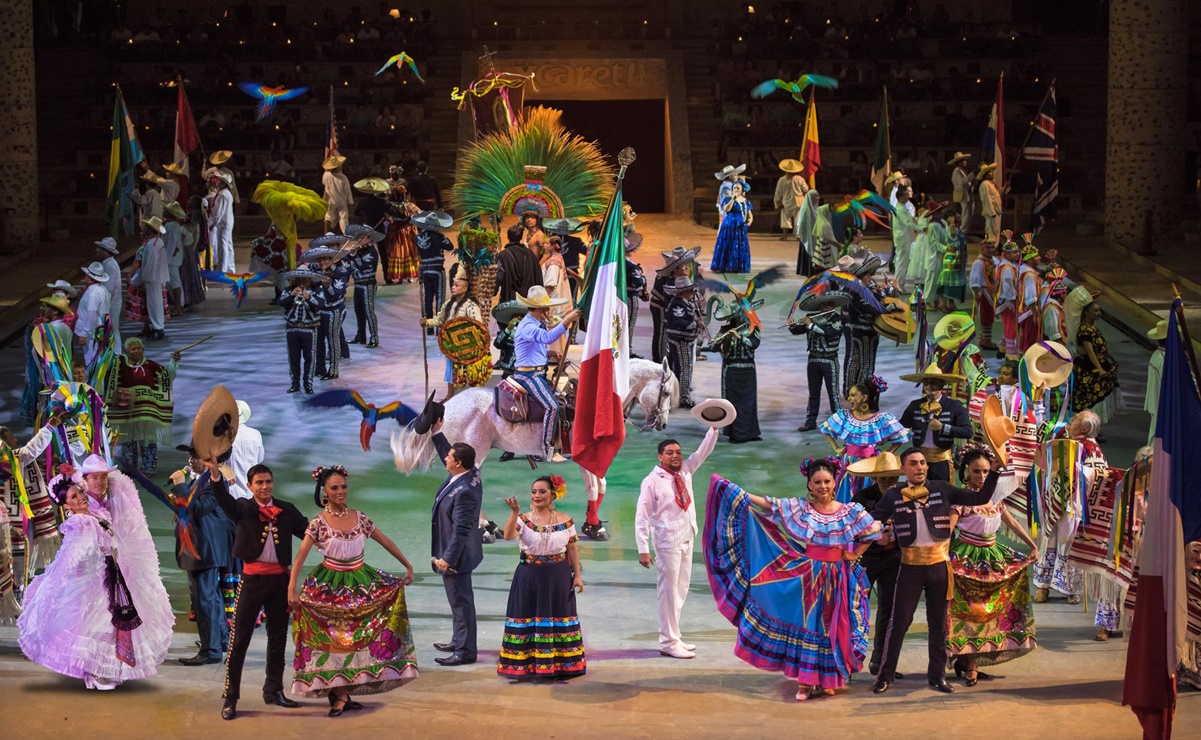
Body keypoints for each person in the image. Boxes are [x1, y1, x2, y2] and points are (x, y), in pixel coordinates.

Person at [705, 458, 881, 700]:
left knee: (832, 627)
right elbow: (770, 505)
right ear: (809, 485)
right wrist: (740, 494)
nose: (822, 486)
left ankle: (828, 678)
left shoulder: (849, 511)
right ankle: (806, 682)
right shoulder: (802, 509)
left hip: (838, 576)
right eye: (817, 482)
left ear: (834, 482)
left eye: (827, 481)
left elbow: (872, 532)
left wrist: (854, 554)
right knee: (809, 624)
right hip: (809, 575)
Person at [18, 468, 173, 690]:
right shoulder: (79, 523)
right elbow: (71, 556)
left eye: (79, 492)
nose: (80, 497)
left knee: (111, 626)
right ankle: (93, 673)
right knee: (95, 625)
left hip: (110, 575)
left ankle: (105, 669)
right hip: (91, 581)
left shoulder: (97, 515)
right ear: (66, 506)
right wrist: (54, 581)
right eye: (73, 497)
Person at [288, 466, 418, 714]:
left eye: (343, 487)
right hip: (329, 585)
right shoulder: (318, 524)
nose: (340, 491)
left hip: (361, 583)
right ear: (324, 492)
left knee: (358, 639)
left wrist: (407, 565)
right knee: (334, 640)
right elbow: (300, 557)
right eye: (334, 488)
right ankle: (340, 693)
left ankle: (345, 691)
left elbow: (385, 540)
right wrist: (291, 588)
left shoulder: (360, 518)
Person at [869, 448, 999, 694]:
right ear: (903, 469)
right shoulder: (894, 495)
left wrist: (993, 472)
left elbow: (981, 498)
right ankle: (884, 676)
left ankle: (937, 676)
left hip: (939, 566)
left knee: (938, 625)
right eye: (913, 463)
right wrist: (876, 534)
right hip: (910, 567)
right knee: (898, 624)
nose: (919, 467)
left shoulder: (942, 488)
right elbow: (871, 518)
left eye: (922, 463)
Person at [210, 460, 309, 721]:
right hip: (251, 581)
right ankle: (230, 697)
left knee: (277, 639)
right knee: (239, 640)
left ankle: (273, 690)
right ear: (251, 486)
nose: (265, 486)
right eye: (259, 483)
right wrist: (214, 473)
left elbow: (310, 532)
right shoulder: (242, 508)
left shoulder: (286, 510)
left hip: (280, 583)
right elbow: (222, 497)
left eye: (268, 482)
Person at [946, 444, 1038, 686]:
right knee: (972, 612)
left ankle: (970, 661)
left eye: (986, 471)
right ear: (966, 472)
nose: (982, 476)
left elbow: (1013, 524)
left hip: (994, 558)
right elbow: (948, 531)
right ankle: (970, 663)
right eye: (977, 471)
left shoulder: (995, 499)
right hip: (967, 559)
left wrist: (1032, 545)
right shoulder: (961, 499)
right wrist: (942, 556)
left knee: (993, 613)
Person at [635, 426, 718, 659]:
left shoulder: (685, 471)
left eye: (678, 452)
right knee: (668, 592)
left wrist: (713, 428)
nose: (676, 456)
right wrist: (643, 548)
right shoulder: (651, 481)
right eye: (670, 452)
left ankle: (675, 636)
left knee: (680, 590)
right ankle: (667, 641)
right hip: (667, 542)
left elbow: (703, 452)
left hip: (687, 538)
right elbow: (642, 516)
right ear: (660, 456)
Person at [498, 475, 586, 680]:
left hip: (558, 576)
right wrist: (514, 513)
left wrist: (578, 576)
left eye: (542, 491)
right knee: (527, 616)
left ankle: (562, 665)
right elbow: (508, 535)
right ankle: (526, 665)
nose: (537, 495)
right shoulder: (524, 520)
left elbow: (572, 548)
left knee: (559, 616)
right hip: (529, 575)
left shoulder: (566, 520)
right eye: (534, 492)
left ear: (553, 494)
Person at [170, 448, 235, 666]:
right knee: (212, 597)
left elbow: (200, 509)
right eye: (190, 455)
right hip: (204, 548)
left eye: (195, 456)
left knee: (204, 599)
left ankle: (211, 650)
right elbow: (190, 506)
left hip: (204, 548)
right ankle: (221, 640)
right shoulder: (201, 480)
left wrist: (179, 485)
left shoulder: (213, 480)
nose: (190, 460)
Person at [429, 426, 484, 667]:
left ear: (458, 463)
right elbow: (448, 453)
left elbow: (461, 529)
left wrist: (448, 559)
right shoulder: (468, 474)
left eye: (449, 457)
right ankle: (458, 640)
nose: (445, 458)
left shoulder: (465, 492)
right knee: (458, 602)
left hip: (457, 558)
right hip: (459, 554)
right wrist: (436, 433)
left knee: (461, 604)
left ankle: (465, 651)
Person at [847, 453, 904, 677]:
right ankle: (849, 661)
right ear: (875, 479)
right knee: (855, 610)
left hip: (894, 560)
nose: (889, 484)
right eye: (884, 480)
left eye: (893, 479)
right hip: (866, 560)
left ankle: (880, 662)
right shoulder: (861, 499)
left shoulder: (905, 496)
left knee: (889, 611)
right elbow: (850, 530)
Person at [512, 286, 581, 460]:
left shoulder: (534, 324)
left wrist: (550, 354)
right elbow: (547, 338)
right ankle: (546, 447)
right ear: (540, 309)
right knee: (552, 406)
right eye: (546, 307)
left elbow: (537, 347)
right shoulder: (528, 326)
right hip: (528, 376)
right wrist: (566, 321)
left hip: (536, 372)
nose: (548, 310)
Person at [820, 376, 911, 503]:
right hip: (848, 464)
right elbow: (826, 429)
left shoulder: (880, 419)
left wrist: (887, 454)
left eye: (853, 395)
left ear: (864, 398)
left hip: (870, 464)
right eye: (849, 395)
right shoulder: (844, 416)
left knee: (868, 495)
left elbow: (901, 436)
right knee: (846, 494)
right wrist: (836, 447)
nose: (849, 398)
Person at [108, 337, 179, 475]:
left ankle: (149, 468)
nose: (136, 351)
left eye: (138, 348)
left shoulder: (151, 366)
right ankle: (130, 469)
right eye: (132, 349)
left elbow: (167, 376)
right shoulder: (118, 365)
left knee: (148, 441)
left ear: (143, 350)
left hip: (147, 412)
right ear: (126, 351)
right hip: (126, 412)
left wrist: (174, 362)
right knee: (127, 441)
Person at [898, 365, 973, 482]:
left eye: (934, 382)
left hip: (942, 462)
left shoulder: (954, 406)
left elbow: (968, 432)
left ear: (942, 385)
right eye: (926, 382)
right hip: (919, 461)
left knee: (942, 494)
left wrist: (943, 428)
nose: (929, 385)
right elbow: (901, 428)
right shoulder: (915, 405)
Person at [422, 274, 489, 396]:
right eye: (453, 285)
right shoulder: (447, 304)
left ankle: (469, 397)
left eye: (457, 285)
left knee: (466, 374)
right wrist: (426, 322)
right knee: (451, 372)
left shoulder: (471, 306)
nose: (453, 287)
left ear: (464, 289)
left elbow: (478, 326)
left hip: (466, 347)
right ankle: (450, 396)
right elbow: (439, 320)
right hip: (452, 346)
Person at [706, 309, 761, 443]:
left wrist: (739, 337)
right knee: (733, 403)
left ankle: (751, 432)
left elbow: (755, 344)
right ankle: (735, 434)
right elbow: (713, 347)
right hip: (730, 370)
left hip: (748, 370)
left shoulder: (753, 328)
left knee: (749, 402)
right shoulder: (725, 329)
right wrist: (718, 340)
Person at [791, 298, 843, 432]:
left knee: (834, 393)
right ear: (820, 306)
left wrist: (810, 325)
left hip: (829, 360)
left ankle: (839, 423)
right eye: (824, 304)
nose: (826, 306)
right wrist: (793, 326)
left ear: (833, 305)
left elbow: (829, 333)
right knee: (813, 393)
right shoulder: (811, 317)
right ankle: (810, 422)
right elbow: (799, 330)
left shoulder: (838, 319)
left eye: (829, 304)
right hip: (813, 359)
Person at [841, 259, 887, 395]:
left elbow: (875, 300)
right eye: (866, 275)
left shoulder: (856, 289)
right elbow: (874, 308)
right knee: (865, 363)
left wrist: (881, 293)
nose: (870, 277)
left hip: (858, 331)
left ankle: (851, 391)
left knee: (854, 361)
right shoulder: (858, 292)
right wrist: (892, 307)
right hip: (863, 332)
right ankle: (862, 393)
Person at [278, 269, 328, 394]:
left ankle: (308, 384)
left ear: (309, 279)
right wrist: (291, 295)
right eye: (298, 279)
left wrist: (309, 297)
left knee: (309, 358)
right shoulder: (289, 290)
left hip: (309, 329)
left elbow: (321, 304)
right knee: (293, 358)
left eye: (304, 279)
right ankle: (295, 384)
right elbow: (280, 302)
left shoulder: (318, 290)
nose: (301, 282)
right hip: (292, 328)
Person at [1071, 297, 1119, 423]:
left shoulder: (1093, 328)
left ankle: (1095, 428)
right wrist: (1099, 368)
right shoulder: (1084, 330)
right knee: (1091, 401)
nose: (1099, 313)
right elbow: (1090, 352)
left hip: (1098, 364)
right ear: (1087, 313)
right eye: (1096, 311)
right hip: (1089, 368)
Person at [650, 247, 701, 364]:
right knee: (662, 333)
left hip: (665, 305)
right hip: (661, 306)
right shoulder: (670, 281)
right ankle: (659, 359)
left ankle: (665, 357)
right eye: (684, 266)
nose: (687, 268)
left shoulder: (677, 277)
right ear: (676, 269)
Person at [663, 276, 701, 409]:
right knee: (685, 368)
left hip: (685, 340)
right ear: (684, 292)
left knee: (680, 368)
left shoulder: (684, 302)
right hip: (681, 341)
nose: (693, 293)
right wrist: (696, 323)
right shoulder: (677, 304)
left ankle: (677, 393)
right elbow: (679, 323)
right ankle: (683, 397)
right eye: (691, 291)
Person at [414, 211, 455, 333]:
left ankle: (429, 326)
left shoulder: (417, 237)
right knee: (440, 298)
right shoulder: (439, 237)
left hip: (425, 269)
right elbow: (450, 246)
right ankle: (439, 327)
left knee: (428, 298)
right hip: (437, 270)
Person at [74, 262, 113, 384]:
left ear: (90, 277)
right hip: (98, 329)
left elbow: (91, 313)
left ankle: (94, 388)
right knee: (96, 359)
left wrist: (84, 333)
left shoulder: (94, 292)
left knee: (92, 360)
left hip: (92, 332)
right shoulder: (101, 289)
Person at [346, 224, 382, 348]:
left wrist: (354, 254)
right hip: (358, 284)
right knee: (358, 311)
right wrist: (348, 252)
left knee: (369, 311)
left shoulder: (372, 252)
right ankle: (360, 336)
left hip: (368, 284)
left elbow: (363, 265)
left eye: (363, 237)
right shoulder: (359, 250)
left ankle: (374, 337)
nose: (360, 240)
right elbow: (348, 259)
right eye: (359, 237)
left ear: (369, 239)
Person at [495, 223, 542, 304]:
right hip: (529, 300)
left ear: (507, 237)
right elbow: (538, 276)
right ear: (521, 237)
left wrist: (494, 290)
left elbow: (499, 275)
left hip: (510, 299)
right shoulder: (530, 254)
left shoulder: (503, 255)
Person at [541, 235, 572, 359]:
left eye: (547, 243)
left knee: (553, 328)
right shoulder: (557, 258)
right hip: (558, 298)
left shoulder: (553, 262)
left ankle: (555, 355)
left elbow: (550, 283)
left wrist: (544, 300)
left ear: (554, 246)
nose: (544, 245)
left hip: (553, 299)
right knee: (557, 327)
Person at [712, 181, 752, 273]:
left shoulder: (746, 201)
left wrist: (750, 220)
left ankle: (737, 266)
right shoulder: (728, 199)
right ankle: (724, 265)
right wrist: (733, 199)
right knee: (728, 244)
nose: (736, 189)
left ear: (742, 190)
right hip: (729, 226)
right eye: (734, 188)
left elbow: (750, 214)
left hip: (740, 227)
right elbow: (726, 209)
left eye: (738, 188)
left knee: (738, 245)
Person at [229, 400, 265, 499]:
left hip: (232, 492)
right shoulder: (255, 434)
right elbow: (260, 459)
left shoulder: (225, 437)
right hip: (253, 491)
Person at [94, 237, 124, 351]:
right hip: (111, 302)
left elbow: (109, 288)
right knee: (111, 328)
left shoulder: (110, 265)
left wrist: (102, 305)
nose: (97, 250)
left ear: (106, 251)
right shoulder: (109, 263)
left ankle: (116, 353)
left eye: (100, 248)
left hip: (111, 303)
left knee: (112, 327)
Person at [969, 240, 999, 351]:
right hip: (983, 292)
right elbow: (974, 279)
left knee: (990, 316)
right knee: (987, 316)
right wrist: (976, 293)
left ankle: (983, 339)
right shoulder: (979, 263)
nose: (991, 250)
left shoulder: (994, 261)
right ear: (982, 249)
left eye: (992, 247)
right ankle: (986, 341)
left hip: (991, 292)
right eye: (988, 248)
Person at [995, 238, 1021, 359]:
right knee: (1011, 326)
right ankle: (1011, 355)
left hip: (1006, 300)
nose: (1018, 254)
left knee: (1009, 325)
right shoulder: (1007, 268)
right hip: (1008, 301)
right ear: (1006, 254)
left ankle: (1002, 346)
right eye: (1014, 252)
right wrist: (1013, 299)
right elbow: (1007, 285)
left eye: (1017, 252)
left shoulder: (1007, 266)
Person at [206, 171, 236, 273]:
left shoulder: (223, 194)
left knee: (222, 245)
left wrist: (213, 224)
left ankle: (222, 269)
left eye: (220, 181)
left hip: (223, 223)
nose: (218, 182)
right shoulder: (225, 193)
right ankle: (229, 268)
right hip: (227, 221)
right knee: (227, 244)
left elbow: (219, 212)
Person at [890, 184, 918, 291]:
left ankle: (900, 285)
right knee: (901, 263)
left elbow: (910, 219)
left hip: (904, 238)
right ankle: (899, 286)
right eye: (906, 195)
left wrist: (919, 219)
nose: (908, 197)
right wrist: (921, 228)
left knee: (902, 263)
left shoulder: (901, 207)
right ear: (901, 197)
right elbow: (908, 223)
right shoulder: (900, 209)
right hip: (902, 239)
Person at [624, 239, 649, 357]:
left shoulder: (617, 262)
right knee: (629, 323)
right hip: (630, 297)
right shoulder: (630, 266)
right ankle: (627, 350)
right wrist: (643, 278)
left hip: (620, 296)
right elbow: (637, 282)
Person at [1145, 320, 1167, 445]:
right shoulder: (1163, 359)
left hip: (1155, 398)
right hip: (1160, 399)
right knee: (1157, 433)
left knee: (1155, 430)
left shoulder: (1156, 354)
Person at [773, 160, 808, 238]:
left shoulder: (782, 180)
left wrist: (777, 203)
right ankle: (798, 235)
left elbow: (778, 193)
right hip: (798, 201)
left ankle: (785, 235)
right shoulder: (799, 179)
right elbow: (805, 189)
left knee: (785, 218)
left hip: (786, 202)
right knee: (798, 219)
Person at [321, 156, 354, 234]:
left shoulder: (325, 175)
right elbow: (347, 191)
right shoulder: (343, 177)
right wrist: (350, 202)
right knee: (343, 218)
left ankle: (326, 234)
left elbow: (324, 185)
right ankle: (346, 235)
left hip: (330, 200)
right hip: (341, 201)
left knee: (328, 217)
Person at [949, 152, 974, 233]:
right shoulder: (956, 172)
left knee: (968, 213)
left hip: (967, 194)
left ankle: (964, 230)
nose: (966, 162)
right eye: (964, 160)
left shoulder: (962, 171)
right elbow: (961, 182)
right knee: (966, 214)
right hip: (962, 194)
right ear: (959, 162)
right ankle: (962, 231)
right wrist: (971, 176)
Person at [977, 163, 1001, 243]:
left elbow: (997, 195)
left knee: (995, 230)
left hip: (995, 210)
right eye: (990, 172)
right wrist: (991, 212)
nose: (992, 173)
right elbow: (987, 199)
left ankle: (994, 246)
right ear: (985, 175)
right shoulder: (985, 184)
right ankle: (991, 246)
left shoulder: (991, 184)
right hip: (991, 211)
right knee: (991, 231)